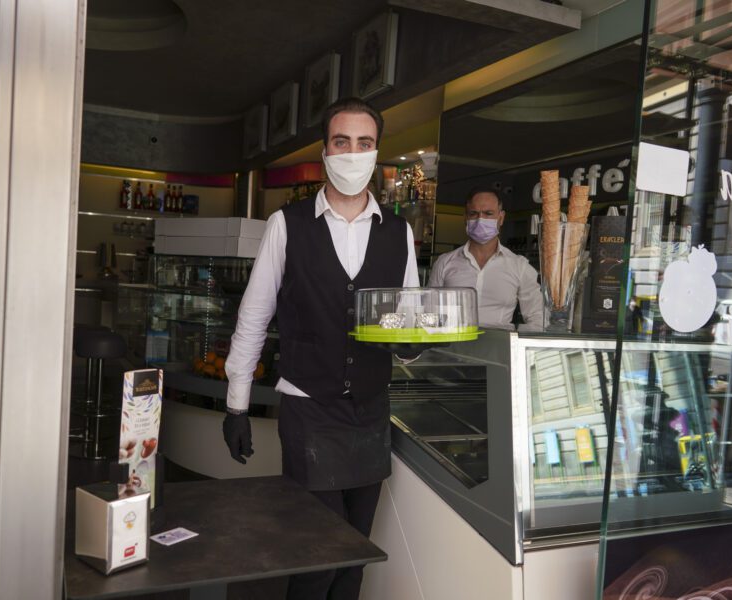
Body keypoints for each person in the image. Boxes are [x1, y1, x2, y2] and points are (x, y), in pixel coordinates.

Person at [222, 97, 419, 600]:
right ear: (326, 150)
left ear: (377, 152)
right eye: (342, 142)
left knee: (354, 558)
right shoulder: (287, 224)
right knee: (316, 560)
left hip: (371, 411)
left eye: (365, 143)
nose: (353, 153)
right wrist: (236, 404)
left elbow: (408, 320)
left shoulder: (400, 232)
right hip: (309, 410)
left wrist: (413, 343)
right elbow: (254, 315)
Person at [428, 187, 543, 329]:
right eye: (474, 213)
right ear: (465, 218)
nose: (480, 219)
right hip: (451, 348)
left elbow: (538, 318)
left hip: (498, 347)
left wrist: (513, 337)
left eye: (488, 213)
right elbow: (429, 311)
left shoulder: (519, 266)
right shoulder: (444, 262)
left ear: (501, 218)